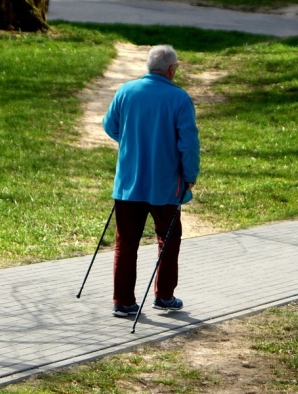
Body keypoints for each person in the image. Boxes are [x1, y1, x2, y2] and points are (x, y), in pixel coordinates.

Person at [103, 44, 200, 317]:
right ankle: (164, 296)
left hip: (128, 183)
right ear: (171, 69)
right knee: (169, 238)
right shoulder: (179, 98)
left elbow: (110, 126)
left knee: (126, 241)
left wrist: (131, 143)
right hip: (165, 185)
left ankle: (123, 302)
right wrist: (190, 177)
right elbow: (189, 145)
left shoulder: (125, 91)